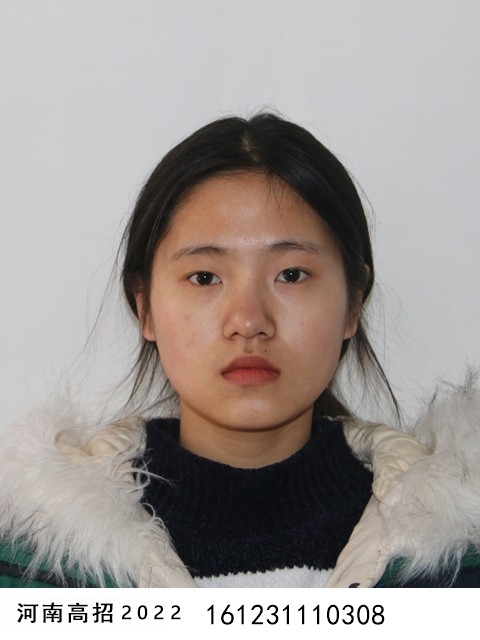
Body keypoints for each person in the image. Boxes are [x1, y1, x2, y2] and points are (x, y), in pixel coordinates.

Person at [0, 113, 479, 588]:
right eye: (204, 277)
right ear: (145, 308)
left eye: (291, 275)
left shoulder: (457, 557)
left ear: (352, 304)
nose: (249, 321)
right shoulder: (32, 562)